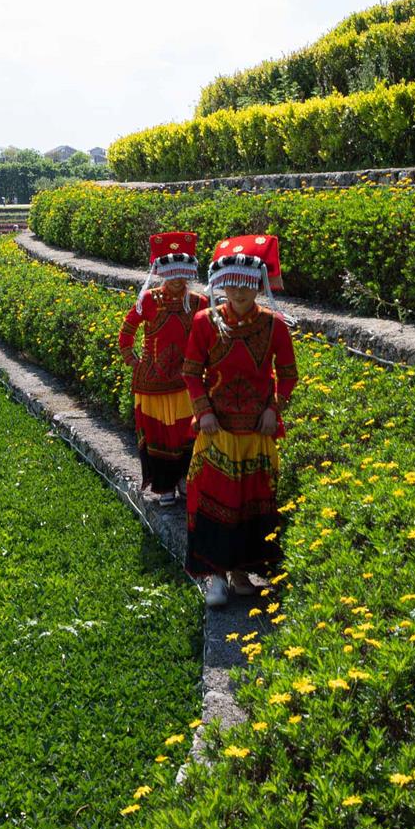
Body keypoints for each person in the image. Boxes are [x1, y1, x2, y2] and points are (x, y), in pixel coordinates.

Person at [179, 234, 296, 608]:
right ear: (221, 284)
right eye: (232, 285)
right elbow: (191, 372)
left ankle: (242, 572)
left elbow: (289, 373)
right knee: (215, 499)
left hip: (257, 432)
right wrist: (205, 411)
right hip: (217, 431)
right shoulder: (204, 322)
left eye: (247, 286)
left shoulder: (275, 325)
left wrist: (272, 409)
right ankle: (215, 575)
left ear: (259, 285)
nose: (240, 294)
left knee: (252, 501)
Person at [116, 231, 206, 505]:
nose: (177, 280)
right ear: (162, 273)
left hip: (185, 382)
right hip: (151, 382)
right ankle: (164, 485)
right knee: (158, 434)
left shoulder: (199, 303)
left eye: (182, 274)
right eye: (171, 273)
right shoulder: (149, 300)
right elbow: (127, 330)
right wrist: (131, 358)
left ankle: (183, 479)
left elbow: (210, 337)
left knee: (186, 433)